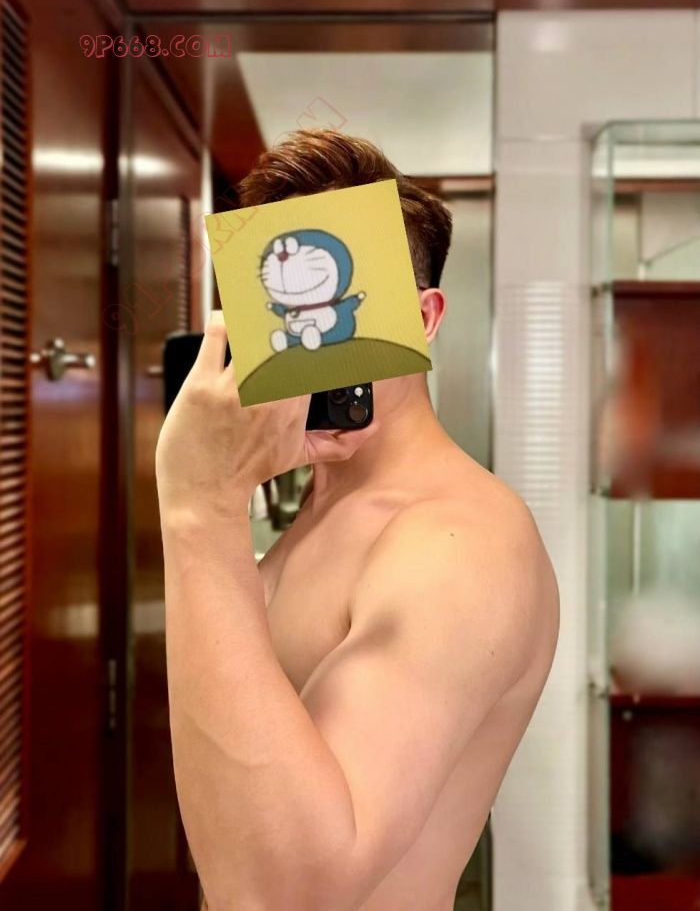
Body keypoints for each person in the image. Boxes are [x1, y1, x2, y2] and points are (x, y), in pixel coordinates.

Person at [155, 129, 559, 911]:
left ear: (424, 317)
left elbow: (287, 894)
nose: (308, 339)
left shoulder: (458, 541)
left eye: (332, 305)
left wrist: (199, 507)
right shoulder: (316, 515)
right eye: (278, 310)